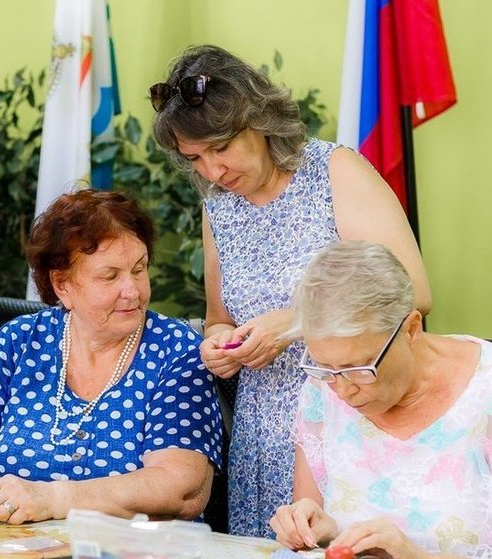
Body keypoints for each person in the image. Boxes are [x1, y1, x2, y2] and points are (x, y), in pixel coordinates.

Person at [149, 44, 432, 536]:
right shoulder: (219, 208)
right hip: (263, 435)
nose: (213, 171)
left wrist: (295, 322)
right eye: (195, 158)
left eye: (221, 148)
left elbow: (412, 294)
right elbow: (221, 315)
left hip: (353, 413)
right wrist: (220, 345)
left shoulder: (333, 171)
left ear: (258, 119)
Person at [0, 188, 223, 524]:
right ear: (62, 285)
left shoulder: (177, 351)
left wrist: (55, 498)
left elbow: (181, 487)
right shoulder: (23, 342)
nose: (132, 290)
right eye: (110, 276)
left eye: (139, 269)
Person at [269, 240, 491, 559]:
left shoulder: (485, 389)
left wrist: (413, 555)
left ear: (411, 329)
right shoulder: (321, 392)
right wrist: (319, 530)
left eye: (359, 368)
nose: (342, 390)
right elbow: (316, 536)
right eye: (325, 367)